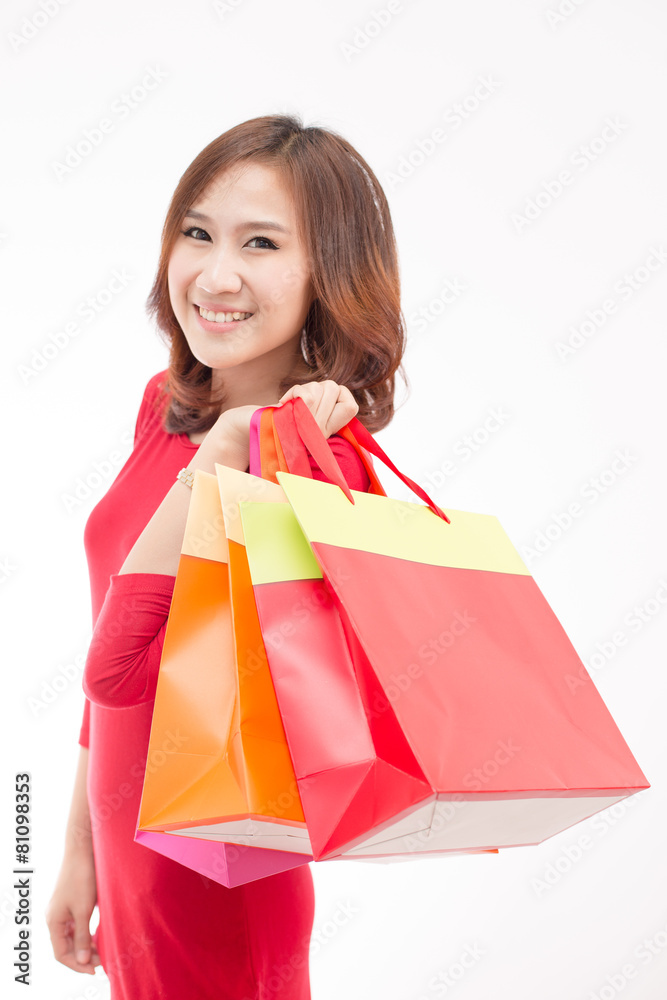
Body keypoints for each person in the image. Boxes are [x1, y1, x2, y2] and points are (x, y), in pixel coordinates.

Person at [46, 113, 407, 999]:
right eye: (198, 233)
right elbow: (121, 660)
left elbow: (118, 674)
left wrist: (233, 455)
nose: (215, 275)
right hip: (131, 862)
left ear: (328, 275)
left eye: (261, 244)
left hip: (221, 880)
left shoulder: (319, 466)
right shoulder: (164, 406)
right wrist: (75, 850)